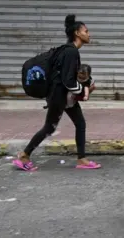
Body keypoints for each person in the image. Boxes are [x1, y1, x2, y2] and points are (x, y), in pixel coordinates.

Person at [12, 14, 101, 171]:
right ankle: (24, 155)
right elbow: (68, 81)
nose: (89, 34)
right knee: (49, 128)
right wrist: (84, 92)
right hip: (59, 97)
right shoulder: (71, 52)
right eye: (86, 31)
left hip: (65, 96)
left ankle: (82, 159)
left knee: (80, 123)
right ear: (77, 33)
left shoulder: (68, 51)